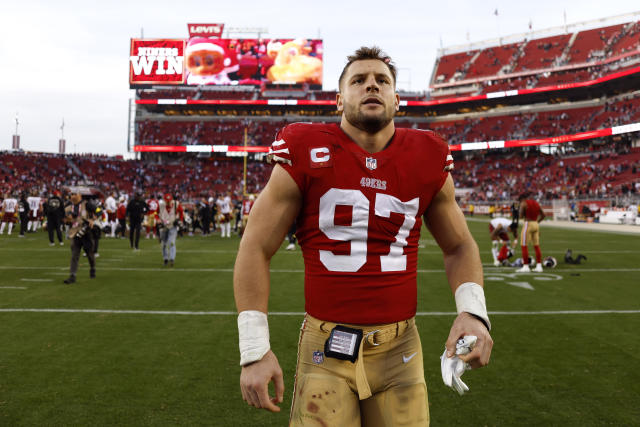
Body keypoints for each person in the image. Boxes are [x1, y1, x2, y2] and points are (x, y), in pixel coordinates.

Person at [234, 47, 493, 425]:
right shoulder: (305, 147)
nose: (371, 85)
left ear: (396, 100)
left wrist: (473, 313)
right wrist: (254, 348)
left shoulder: (426, 154)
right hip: (325, 348)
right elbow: (255, 246)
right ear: (339, 100)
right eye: (358, 80)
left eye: (381, 80)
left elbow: (459, 245)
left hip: (401, 348)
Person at [62, 192, 96, 284]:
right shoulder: (68, 208)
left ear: (80, 195)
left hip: (86, 233)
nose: (73, 196)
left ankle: (92, 268)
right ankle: (72, 276)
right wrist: (67, 220)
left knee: (90, 254)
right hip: (74, 234)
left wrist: (92, 220)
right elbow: (65, 221)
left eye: (75, 194)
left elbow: (98, 213)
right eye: (71, 195)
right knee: (74, 255)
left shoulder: (87, 204)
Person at [516, 193, 546, 273]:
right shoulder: (536, 203)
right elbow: (543, 215)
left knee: (524, 245)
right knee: (536, 245)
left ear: (522, 199)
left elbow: (521, 216)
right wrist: (537, 222)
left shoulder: (523, 203)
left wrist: (519, 211)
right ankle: (539, 266)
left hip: (528, 224)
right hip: (536, 224)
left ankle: (526, 266)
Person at [158, 193, 184, 267]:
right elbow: (156, 213)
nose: (168, 202)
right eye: (167, 201)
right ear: (164, 200)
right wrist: (158, 220)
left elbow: (181, 212)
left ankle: (172, 258)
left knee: (172, 242)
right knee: (163, 244)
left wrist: (180, 221)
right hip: (163, 226)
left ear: (172, 200)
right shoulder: (161, 205)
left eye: (169, 201)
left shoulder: (176, 204)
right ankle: (165, 258)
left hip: (173, 225)